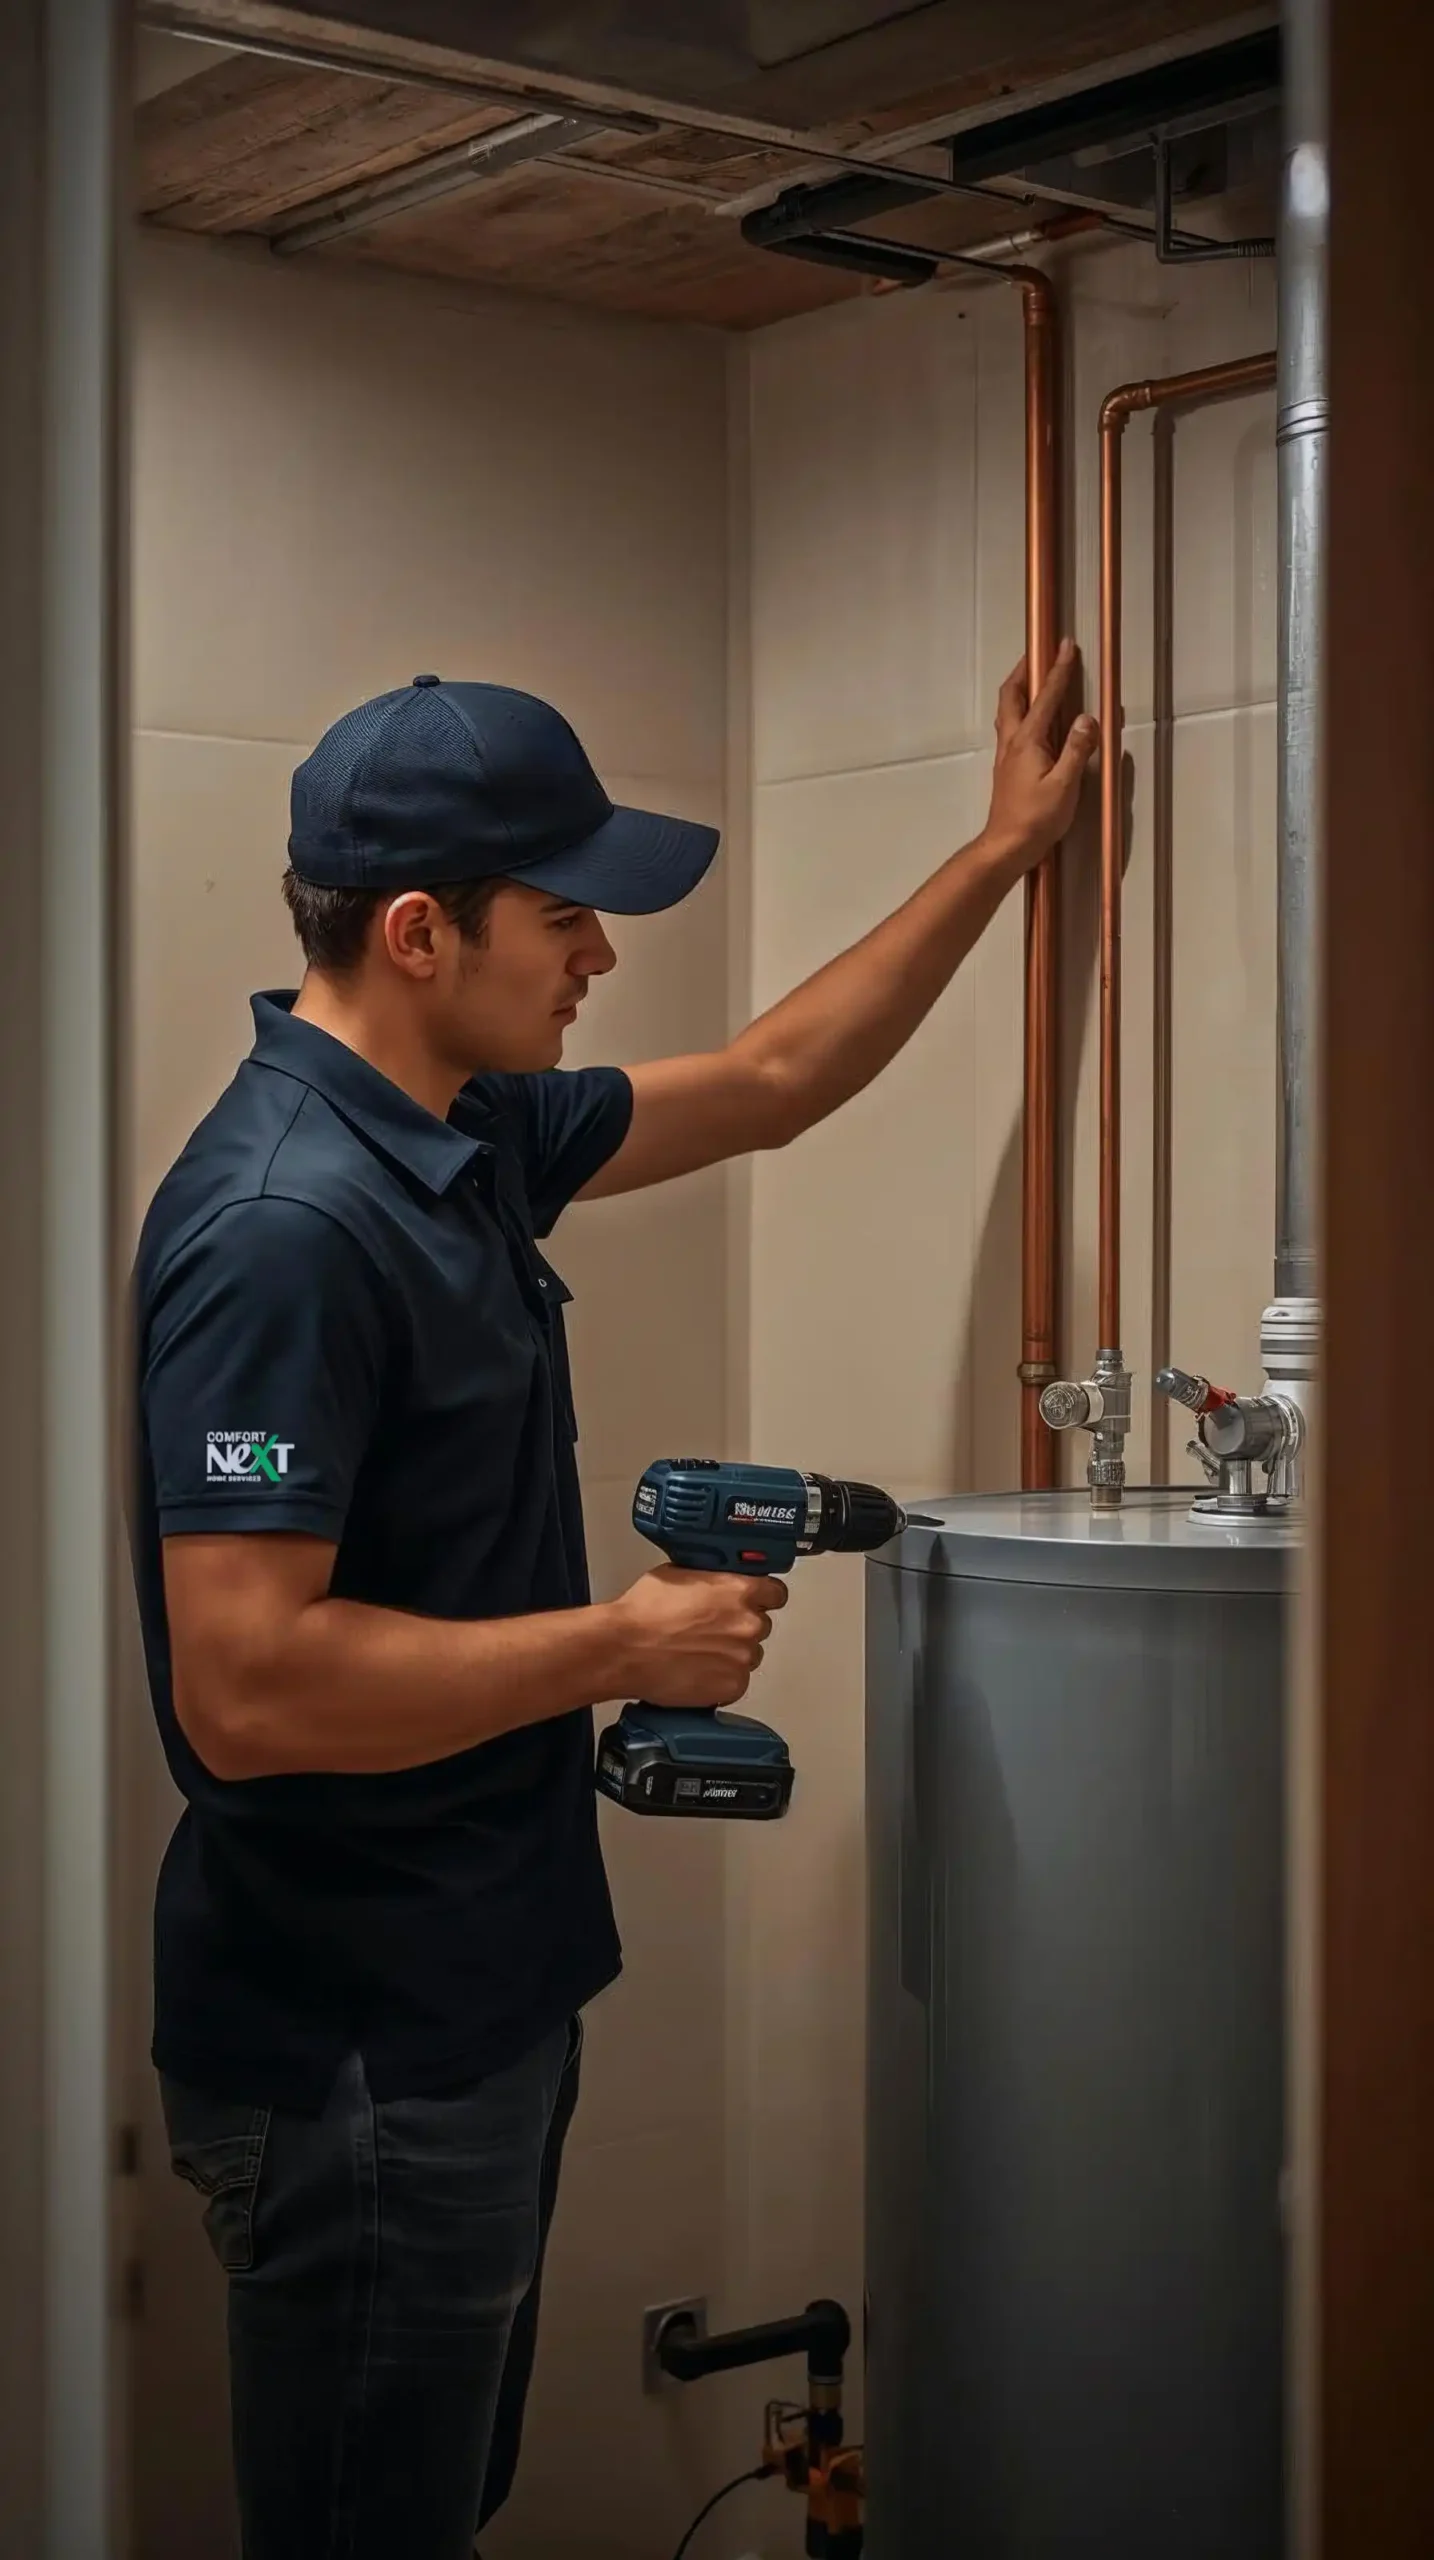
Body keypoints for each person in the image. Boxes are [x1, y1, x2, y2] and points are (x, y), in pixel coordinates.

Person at [131, 651, 1095, 2560]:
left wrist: (1001, 852)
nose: (601, 954)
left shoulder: (461, 1138)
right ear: (419, 930)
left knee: (435, 2505)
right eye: (564, 914)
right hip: (358, 2048)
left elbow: (768, 1081)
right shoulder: (285, 1231)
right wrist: (621, 1647)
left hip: (475, 1998)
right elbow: (244, 1687)